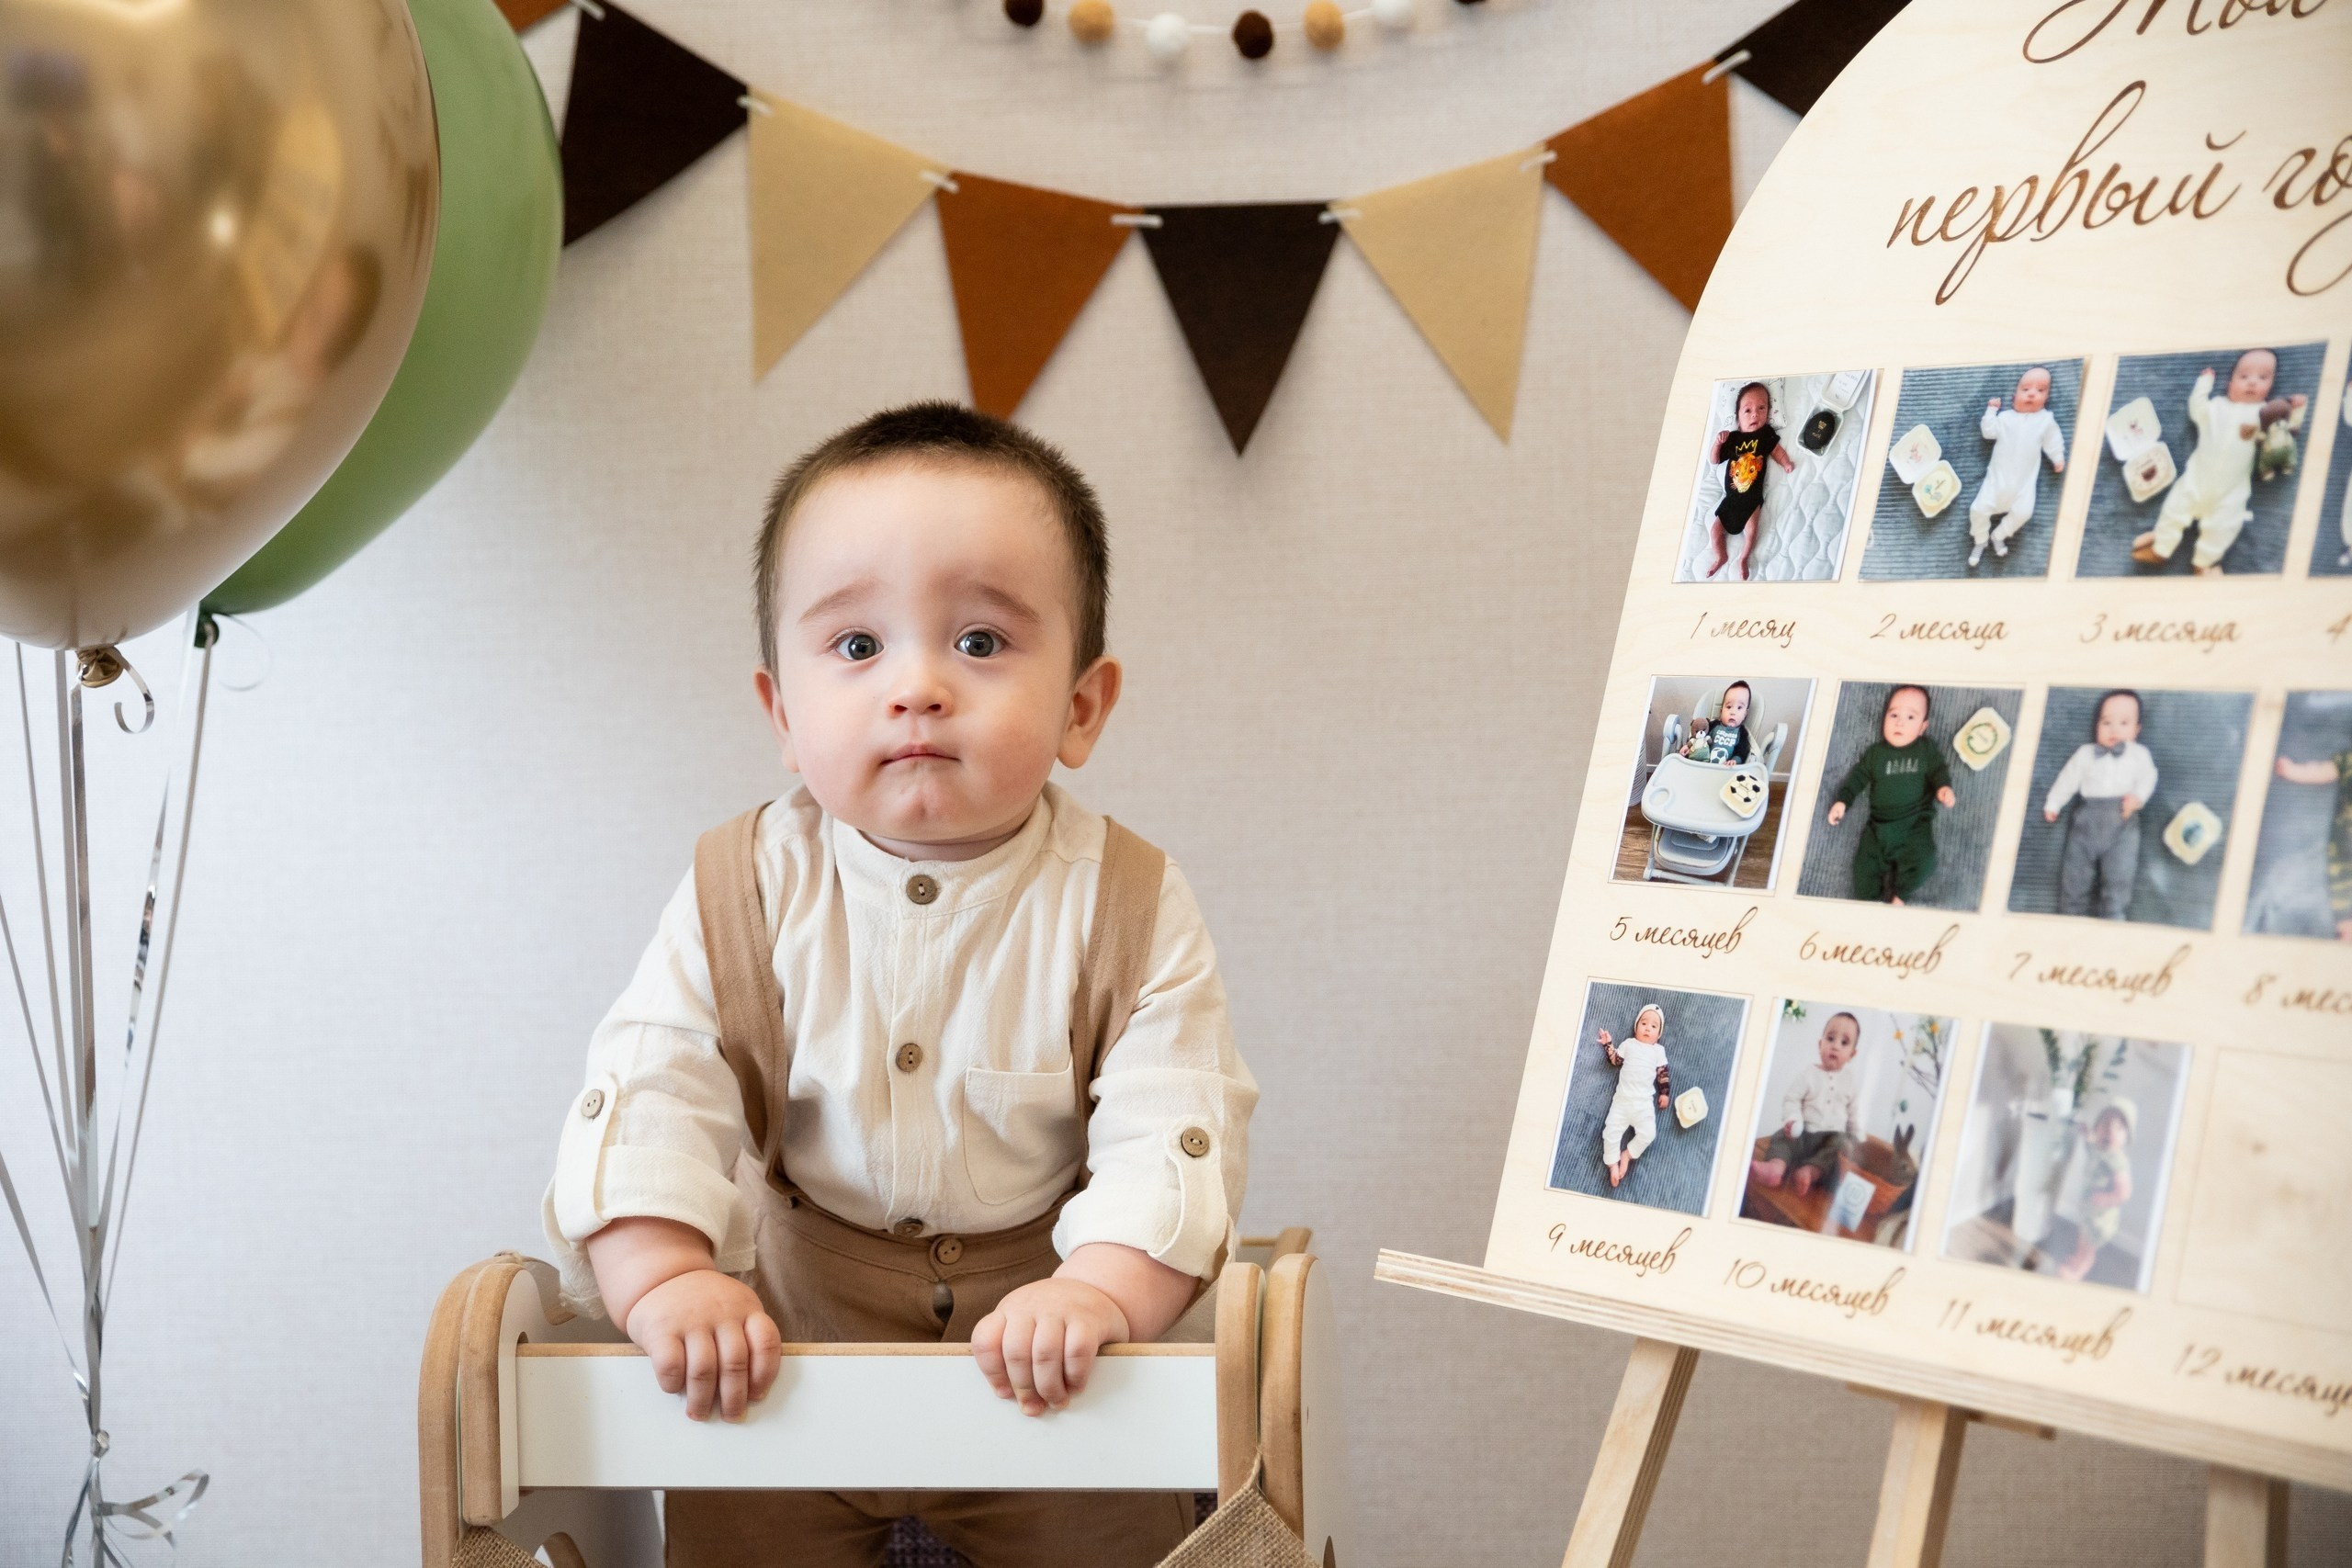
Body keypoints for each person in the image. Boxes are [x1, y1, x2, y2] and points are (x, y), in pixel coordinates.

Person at [543, 402, 1256, 1567]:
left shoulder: (1128, 901)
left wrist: (1104, 1296)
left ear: (1081, 706)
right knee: (733, 1512)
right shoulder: (738, 889)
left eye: (979, 643)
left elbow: (1176, 1124)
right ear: (783, 712)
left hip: (1050, 1362)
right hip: (788, 1352)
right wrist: (666, 1276)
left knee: (1120, 1525)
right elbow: (650, 1085)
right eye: (858, 647)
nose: (916, 685)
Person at [2132, 349, 2306, 577]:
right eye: (2244, 376)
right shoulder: (2215, 407)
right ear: (2230, 382)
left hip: (2231, 490)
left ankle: (2203, 562)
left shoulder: (2264, 414)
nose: (2252, 382)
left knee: (2224, 526)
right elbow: (2196, 408)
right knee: (2174, 509)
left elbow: (2287, 434)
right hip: (2196, 479)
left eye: (2263, 378)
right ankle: (2161, 548)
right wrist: (2204, 383)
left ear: (2271, 386)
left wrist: (2298, 409)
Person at [1826, 685, 1957, 905]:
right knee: (1863, 868)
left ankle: (1900, 895)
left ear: (1922, 727)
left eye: (1910, 717)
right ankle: (1869, 904)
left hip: (1914, 825)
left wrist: (1943, 787)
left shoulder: (1925, 749)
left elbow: (1938, 770)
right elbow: (1857, 778)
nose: (1900, 722)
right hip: (1878, 828)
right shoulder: (1876, 754)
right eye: (1894, 714)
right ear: (1884, 718)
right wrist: (1843, 801)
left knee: (1925, 860)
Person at [2043, 690, 2158, 920]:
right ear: (2097, 725)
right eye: (2106, 722)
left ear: (2136, 730)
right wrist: (2054, 803)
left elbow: (2149, 776)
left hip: (2122, 823)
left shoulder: (2139, 755)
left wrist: (2138, 798)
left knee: (2119, 877)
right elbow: (2068, 779)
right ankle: (2070, 916)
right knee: (2075, 876)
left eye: (2124, 723)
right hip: (2086, 822)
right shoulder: (2085, 754)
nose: (2114, 729)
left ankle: (2113, 916)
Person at [1750, 1010, 1860, 1200]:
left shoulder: (1850, 1081)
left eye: (1844, 1042)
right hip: (1803, 1133)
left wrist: (1856, 1138)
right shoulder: (1808, 1074)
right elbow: (1791, 1099)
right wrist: (1793, 1119)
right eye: (1830, 1038)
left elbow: (1854, 1112)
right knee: (1782, 1138)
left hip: (1830, 1138)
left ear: (1852, 1054)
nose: (1835, 1046)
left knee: (1836, 1150)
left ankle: (1809, 1172)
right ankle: (1775, 1167)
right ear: (1820, 1044)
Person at [1967, 366, 2066, 569]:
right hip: (1996, 482)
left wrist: (2057, 456)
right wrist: (1991, 411)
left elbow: (2053, 440)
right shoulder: (2005, 418)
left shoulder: (2045, 421)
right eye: (2026, 389)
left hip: (2023, 487)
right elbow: (1988, 432)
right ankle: (1980, 540)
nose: (2032, 393)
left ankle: (1999, 535)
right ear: (2015, 395)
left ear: (2046, 398)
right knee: (1977, 509)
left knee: (2024, 513)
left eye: (2040, 391)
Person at [1704, 382, 1796, 581]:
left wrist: (1786, 463)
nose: (1755, 414)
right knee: (1715, 530)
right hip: (1731, 497)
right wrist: (1717, 444)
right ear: (1737, 417)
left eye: (1761, 408)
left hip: (1752, 498)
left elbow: (1777, 451)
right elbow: (1714, 460)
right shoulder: (1733, 439)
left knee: (1752, 529)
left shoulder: (1765, 435)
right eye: (1748, 410)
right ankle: (1721, 556)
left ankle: (1744, 557)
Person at [2273, 742, 2352, 942]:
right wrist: (2293, 771)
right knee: (2341, 887)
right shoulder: (2348, 760)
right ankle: (2346, 931)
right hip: (2345, 848)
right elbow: (2322, 771)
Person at [2055, 1100, 2135, 1282]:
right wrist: (2085, 1133)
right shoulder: (2098, 1148)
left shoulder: (2117, 1160)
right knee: (2082, 1238)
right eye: (2105, 1124)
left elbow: (2125, 1192)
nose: (2109, 1130)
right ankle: (2077, 1258)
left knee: (2089, 1248)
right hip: (2089, 1211)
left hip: (2101, 1217)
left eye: (2119, 1128)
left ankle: (2079, 1271)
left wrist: (2106, 1198)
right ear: (2098, 1127)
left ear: (2127, 1138)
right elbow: (2090, 1144)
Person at [1595, 1004, 1672, 1190]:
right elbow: (1615, 1061)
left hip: (1644, 1104)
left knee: (1649, 1134)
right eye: (1644, 1023)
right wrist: (1608, 1044)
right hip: (1621, 1101)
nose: (1647, 1028)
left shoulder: (1658, 1051)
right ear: (1636, 1026)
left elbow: (1663, 1073)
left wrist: (1664, 1093)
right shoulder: (1628, 1044)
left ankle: (1627, 1155)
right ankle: (1612, 1164)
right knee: (1610, 1133)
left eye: (1654, 1026)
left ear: (1659, 1034)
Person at [1680, 680, 1756, 764]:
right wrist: (1688, 746)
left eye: (1739, 708)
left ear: (1745, 714)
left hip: (1724, 770)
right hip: (1702, 764)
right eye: (1729, 707)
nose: (1733, 712)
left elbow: (1742, 751)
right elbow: (1698, 735)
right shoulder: (1713, 725)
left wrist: (1734, 760)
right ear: (1721, 711)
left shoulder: (1741, 733)